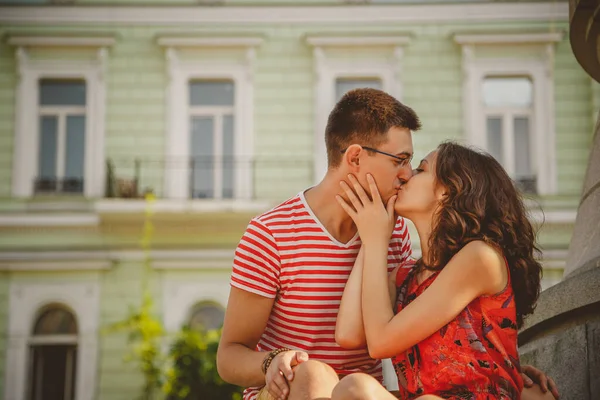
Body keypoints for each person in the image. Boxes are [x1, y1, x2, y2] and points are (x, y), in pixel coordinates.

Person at [216, 89, 559, 400]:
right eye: (400, 160)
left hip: (357, 394)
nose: (407, 174)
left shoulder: (394, 236)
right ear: (354, 158)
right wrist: (272, 362)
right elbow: (229, 355)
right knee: (315, 376)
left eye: (414, 165)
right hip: (289, 390)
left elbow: (422, 331)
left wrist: (504, 369)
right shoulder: (271, 233)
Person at [332, 142, 555, 400]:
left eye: (420, 169)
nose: (405, 176)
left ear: (449, 191)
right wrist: (371, 235)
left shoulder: (480, 257)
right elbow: (347, 333)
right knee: (352, 388)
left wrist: (376, 240)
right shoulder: (406, 277)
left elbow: (381, 342)